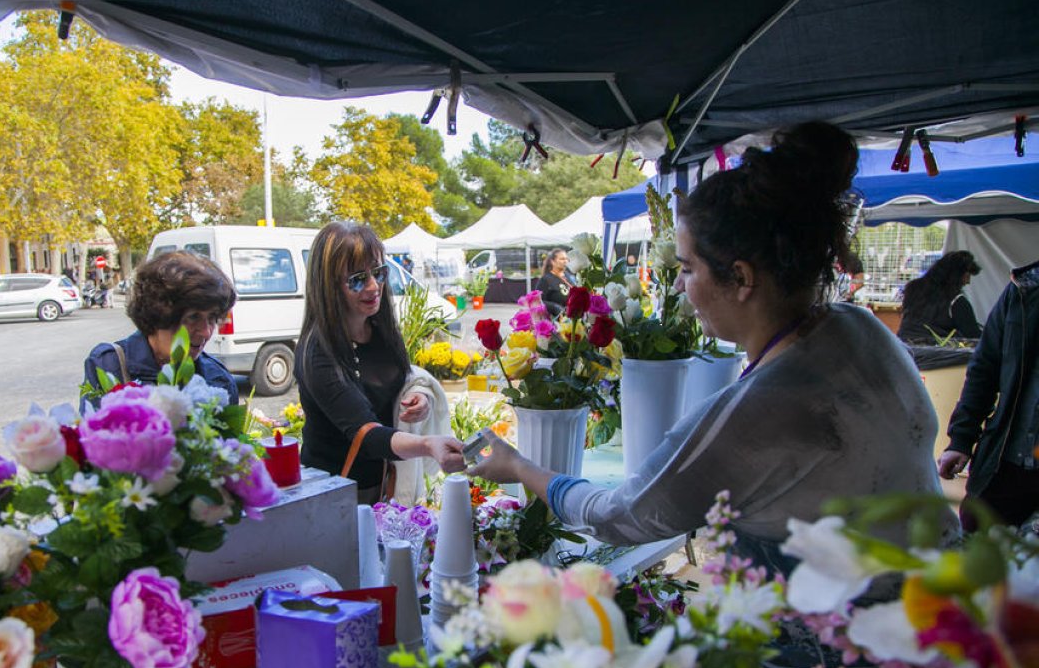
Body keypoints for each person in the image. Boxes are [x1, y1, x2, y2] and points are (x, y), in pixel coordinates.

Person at [470, 122, 957, 575]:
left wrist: (518, 466)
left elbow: (621, 516)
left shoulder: (768, 406)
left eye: (686, 269)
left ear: (741, 277)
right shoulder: (859, 328)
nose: (680, 288)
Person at [294, 221, 464, 504]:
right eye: (357, 279)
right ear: (327, 287)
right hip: (333, 496)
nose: (374, 287)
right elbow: (366, 434)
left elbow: (404, 380)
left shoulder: (380, 330)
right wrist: (427, 445)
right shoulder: (317, 352)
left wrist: (419, 397)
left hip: (383, 487)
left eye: (379, 273)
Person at [938, 259, 1039, 532]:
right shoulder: (1025, 287)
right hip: (1008, 458)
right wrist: (960, 439)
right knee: (973, 545)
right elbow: (985, 367)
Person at [82, 251, 238, 407]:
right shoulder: (109, 364)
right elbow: (92, 428)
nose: (206, 331)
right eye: (193, 317)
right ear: (157, 314)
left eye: (212, 318)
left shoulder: (219, 379)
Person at [897, 250, 982, 344]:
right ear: (956, 276)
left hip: (904, 348)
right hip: (937, 353)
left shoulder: (912, 288)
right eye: (967, 276)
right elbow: (973, 335)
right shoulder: (957, 300)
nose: (968, 282)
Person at [535, 247, 576, 316]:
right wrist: (554, 307)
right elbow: (537, 301)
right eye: (562, 259)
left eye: (566, 259)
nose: (565, 261)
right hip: (556, 320)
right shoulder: (545, 279)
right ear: (552, 261)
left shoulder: (569, 275)